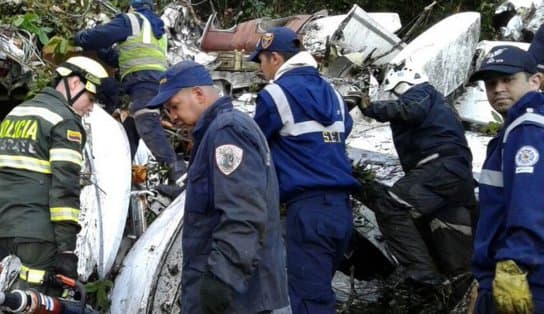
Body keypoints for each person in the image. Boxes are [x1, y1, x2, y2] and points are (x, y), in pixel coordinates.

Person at [146, 60, 289, 313]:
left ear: (198, 94)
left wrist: (221, 282)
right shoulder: (217, 132)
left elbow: (243, 214)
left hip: (239, 297)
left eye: (174, 107)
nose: (173, 118)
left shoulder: (227, 132)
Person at [249, 27, 360, 314]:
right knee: (319, 288)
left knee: (309, 302)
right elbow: (343, 130)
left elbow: (252, 144)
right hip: (340, 212)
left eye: (261, 61)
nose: (261, 69)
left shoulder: (274, 94)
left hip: (308, 212)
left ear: (275, 58)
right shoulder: (333, 93)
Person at [357, 63, 476, 298]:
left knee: (391, 205)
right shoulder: (439, 103)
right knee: (447, 237)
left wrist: (371, 108)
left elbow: (410, 110)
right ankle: (453, 289)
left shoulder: (421, 93)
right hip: (455, 175)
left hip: (439, 167)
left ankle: (423, 278)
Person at [0, 56, 109, 295]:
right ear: (74, 84)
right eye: (90, 99)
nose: (90, 108)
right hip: (37, 235)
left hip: (3, 226)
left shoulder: (15, 115)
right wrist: (67, 251)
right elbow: (65, 190)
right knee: (39, 302)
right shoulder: (65, 122)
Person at [74, 0, 185, 183]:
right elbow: (125, 58)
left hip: (143, 83)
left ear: (132, 6)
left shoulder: (131, 20)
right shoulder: (156, 29)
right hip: (154, 82)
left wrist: (81, 37)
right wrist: (101, 51)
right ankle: (119, 178)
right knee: (128, 135)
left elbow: (97, 36)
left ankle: (179, 175)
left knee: (147, 125)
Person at [469, 45, 544, 313]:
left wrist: (515, 262)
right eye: (491, 83)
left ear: (535, 81)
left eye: (508, 80)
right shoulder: (515, 129)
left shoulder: (528, 128)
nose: (498, 88)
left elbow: (530, 202)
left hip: (524, 279)